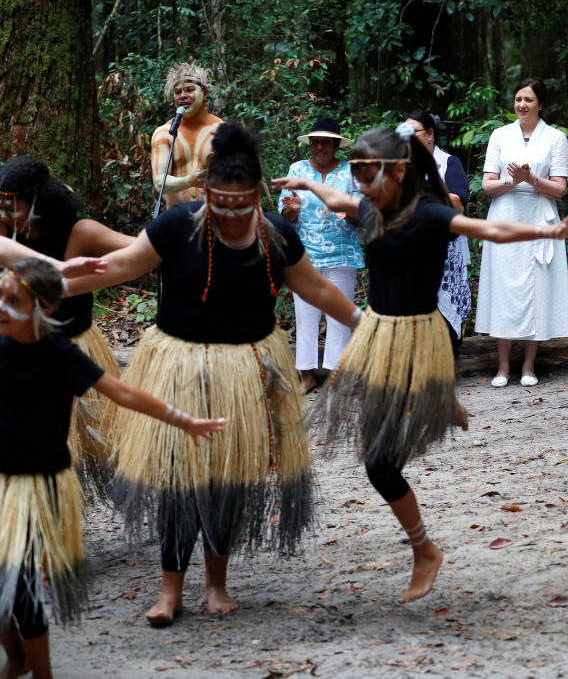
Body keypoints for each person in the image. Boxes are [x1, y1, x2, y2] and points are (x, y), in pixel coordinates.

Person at [272, 123, 568, 603]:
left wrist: (550, 228)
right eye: (354, 172)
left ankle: (424, 547)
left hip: (422, 338)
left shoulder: (429, 215)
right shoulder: (368, 209)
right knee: (379, 464)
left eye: (366, 172)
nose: (358, 183)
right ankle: (438, 406)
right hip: (381, 339)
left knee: (380, 464)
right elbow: (334, 200)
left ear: (399, 170)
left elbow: (490, 229)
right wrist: (305, 184)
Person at [68, 123, 362, 627]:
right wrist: (45, 277)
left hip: (243, 372)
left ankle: (217, 586)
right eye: (220, 203)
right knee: (178, 482)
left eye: (240, 204)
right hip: (177, 365)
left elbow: (315, 287)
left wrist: (363, 323)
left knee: (227, 480)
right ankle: (168, 591)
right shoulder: (177, 225)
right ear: (205, 190)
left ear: (257, 193)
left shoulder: (276, 235)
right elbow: (117, 266)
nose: (229, 214)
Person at [0, 257, 224, 679]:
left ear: (44, 308)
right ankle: (16, 658)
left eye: (12, 300)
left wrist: (185, 420)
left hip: (39, 488)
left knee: (23, 588)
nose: (0, 305)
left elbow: (122, 392)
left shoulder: (60, 355)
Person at [0, 156, 135, 499]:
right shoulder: (3, 230)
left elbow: (141, 251)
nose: (4, 211)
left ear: (37, 200)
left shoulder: (80, 231)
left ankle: (60, 511)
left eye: (11, 204)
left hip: (70, 348)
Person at [475, 78, 568, 387]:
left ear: (540, 104)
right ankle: (503, 367)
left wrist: (532, 180)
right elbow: (487, 185)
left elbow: (559, 188)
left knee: (538, 288)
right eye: (518, 99)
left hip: (539, 217)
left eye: (528, 99)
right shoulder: (499, 135)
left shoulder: (556, 138)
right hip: (505, 216)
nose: (522, 105)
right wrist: (512, 182)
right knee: (505, 289)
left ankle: (529, 365)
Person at [278, 116, 363, 393]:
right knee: (306, 315)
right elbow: (285, 215)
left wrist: (349, 212)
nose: (320, 147)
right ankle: (307, 375)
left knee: (339, 317)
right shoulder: (298, 169)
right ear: (310, 145)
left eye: (327, 143)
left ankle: (336, 376)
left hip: (342, 254)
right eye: (316, 142)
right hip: (305, 256)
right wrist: (291, 209)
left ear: (337, 145)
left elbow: (363, 214)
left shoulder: (351, 172)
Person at [404, 111, 471, 351]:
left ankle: (444, 367)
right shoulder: (399, 166)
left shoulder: (448, 163)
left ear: (430, 134)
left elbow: (458, 201)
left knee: (444, 311)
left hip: (445, 250)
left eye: (413, 133)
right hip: (409, 249)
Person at [151, 63, 223, 208]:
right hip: (176, 220)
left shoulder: (223, 131)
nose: (183, 96)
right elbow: (159, 183)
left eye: (189, 90)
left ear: (205, 94)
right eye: (178, 92)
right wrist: (189, 181)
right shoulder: (164, 133)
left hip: (213, 219)